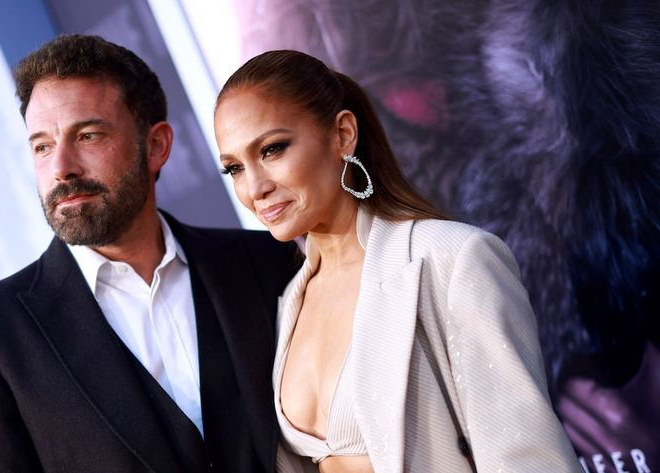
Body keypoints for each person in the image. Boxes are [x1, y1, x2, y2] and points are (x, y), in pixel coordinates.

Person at [0, 34, 297, 473]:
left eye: (87, 135)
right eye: (42, 145)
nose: (60, 167)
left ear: (156, 145)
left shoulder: (265, 262)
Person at [213, 49, 582, 473]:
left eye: (273, 149)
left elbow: (529, 460)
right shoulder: (290, 297)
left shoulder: (451, 261)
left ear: (344, 134)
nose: (254, 186)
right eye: (234, 168)